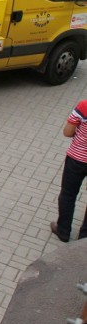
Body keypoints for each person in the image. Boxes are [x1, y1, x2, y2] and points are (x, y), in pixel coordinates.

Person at [51, 101, 87, 242]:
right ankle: (84, 237)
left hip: (76, 160)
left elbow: (68, 132)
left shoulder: (84, 106)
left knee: (68, 193)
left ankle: (63, 230)